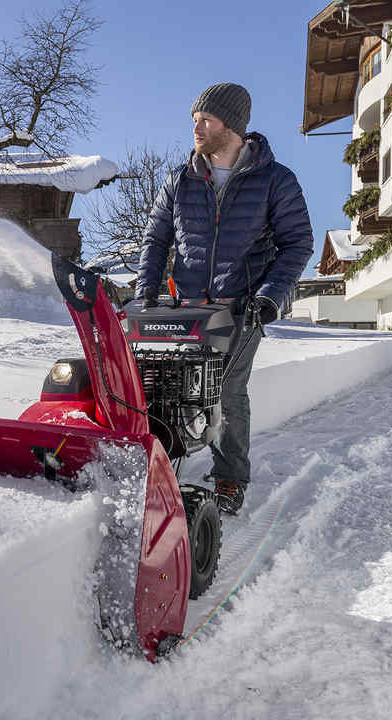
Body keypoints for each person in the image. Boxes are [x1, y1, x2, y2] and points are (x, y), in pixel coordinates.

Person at [135, 82, 314, 514]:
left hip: (242, 307)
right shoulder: (180, 179)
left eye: (205, 120)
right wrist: (145, 293)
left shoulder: (275, 180)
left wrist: (270, 296)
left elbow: (298, 244)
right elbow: (156, 240)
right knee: (162, 385)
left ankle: (230, 476)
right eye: (194, 120)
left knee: (227, 390)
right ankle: (158, 465)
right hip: (188, 306)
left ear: (230, 125)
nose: (196, 128)